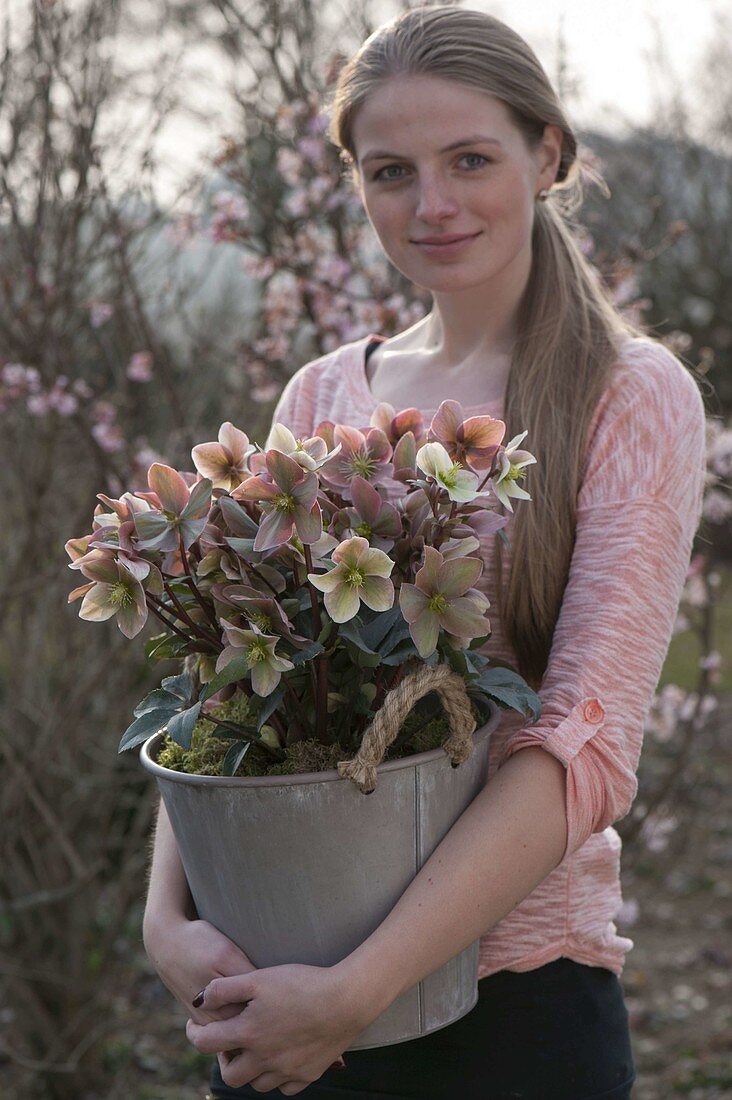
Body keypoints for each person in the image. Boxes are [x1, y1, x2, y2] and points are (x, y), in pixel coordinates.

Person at [142, 6, 708, 1097]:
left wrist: (358, 989)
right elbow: (228, 687)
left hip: (511, 1014)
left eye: (471, 159)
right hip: (279, 995)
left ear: (547, 154)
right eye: (392, 169)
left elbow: (578, 749)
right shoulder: (324, 394)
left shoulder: (627, 394)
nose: (433, 204)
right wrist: (170, 920)